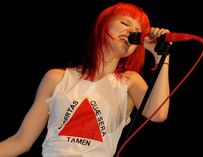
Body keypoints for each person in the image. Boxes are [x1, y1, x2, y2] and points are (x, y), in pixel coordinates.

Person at [0, 2, 170, 157]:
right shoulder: (57, 78)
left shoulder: (129, 81)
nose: (132, 31)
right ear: (103, 25)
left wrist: (162, 57)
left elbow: (158, 113)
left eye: (138, 31)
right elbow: (21, 141)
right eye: (125, 23)